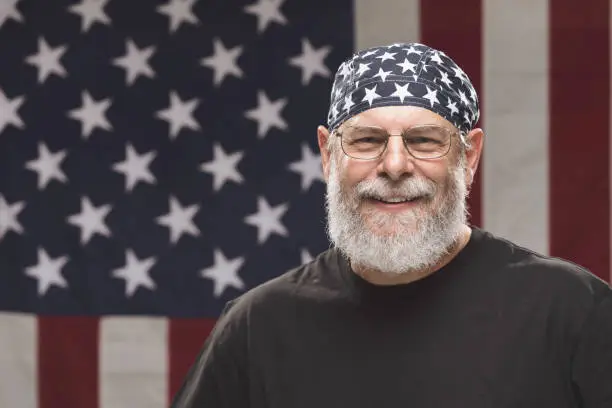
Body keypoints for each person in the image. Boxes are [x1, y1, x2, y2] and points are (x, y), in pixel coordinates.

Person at [171, 42, 612, 407]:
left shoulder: (572, 311)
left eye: (423, 140)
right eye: (367, 140)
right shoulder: (257, 327)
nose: (395, 165)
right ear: (328, 154)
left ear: (469, 156)